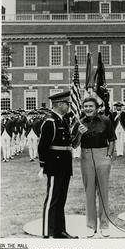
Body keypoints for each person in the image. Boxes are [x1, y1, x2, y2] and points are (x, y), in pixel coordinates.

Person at [38, 90, 86, 239]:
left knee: (61, 200)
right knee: (52, 199)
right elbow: (42, 146)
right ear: (59, 104)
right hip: (54, 165)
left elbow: (71, 144)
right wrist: (43, 165)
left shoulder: (63, 121)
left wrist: (79, 133)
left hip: (65, 165)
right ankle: (47, 232)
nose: (69, 106)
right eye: (67, 104)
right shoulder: (50, 122)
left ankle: (59, 231)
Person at [80, 96, 117, 238]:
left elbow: (112, 139)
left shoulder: (106, 120)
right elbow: (75, 144)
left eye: (91, 106)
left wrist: (108, 155)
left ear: (96, 108)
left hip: (103, 156)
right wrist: (79, 132)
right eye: (86, 106)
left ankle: (104, 225)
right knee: (89, 191)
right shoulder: (80, 122)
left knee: (103, 192)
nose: (88, 108)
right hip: (86, 157)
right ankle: (90, 225)